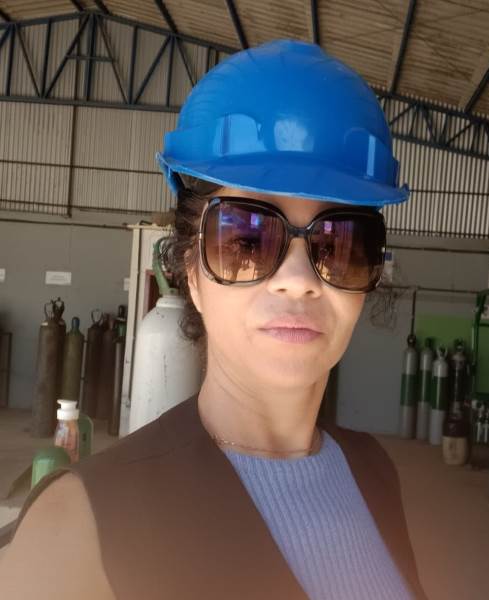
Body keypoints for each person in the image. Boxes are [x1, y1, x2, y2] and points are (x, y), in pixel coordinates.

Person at [0, 39, 427, 600]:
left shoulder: (374, 472)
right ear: (192, 274)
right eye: (246, 238)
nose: (298, 278)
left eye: (338, 242)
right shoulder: (77, 528)